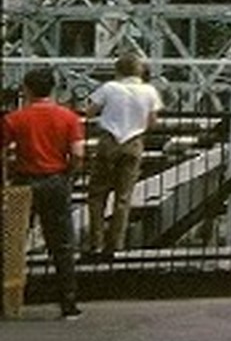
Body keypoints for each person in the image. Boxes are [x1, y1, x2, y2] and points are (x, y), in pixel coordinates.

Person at [1, 67, 85, 318]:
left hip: (23, 181)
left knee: (12, 243)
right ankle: (68, 303)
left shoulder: (14, 119)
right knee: (62, 244)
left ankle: (8, 301)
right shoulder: (69, 118)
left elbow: (2, 153)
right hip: (56, 181)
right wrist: (68, 174)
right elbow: (78, 154)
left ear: (26, 89)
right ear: (53, 89)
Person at [85, 52, 164, 260]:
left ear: (118, 70)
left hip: (109, 140)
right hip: (134, 142)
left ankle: (95, 243)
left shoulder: (110, 88)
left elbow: (90, 111)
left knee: (97, 194)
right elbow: (153, 121)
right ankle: (116, 244)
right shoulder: (149, 91)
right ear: (140, 71)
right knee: (123, 196)